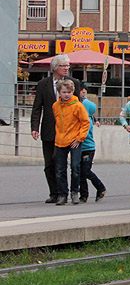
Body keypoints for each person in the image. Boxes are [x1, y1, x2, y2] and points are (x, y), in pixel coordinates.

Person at [30, 54, 82, 203]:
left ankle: (67, 192)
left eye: (68, 65)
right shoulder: (43, 84)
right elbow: (37, 107)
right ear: (54, 67)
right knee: (50, 164)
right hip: (49, 129)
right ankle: (54, 192)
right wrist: (35, 127)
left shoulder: (74, 83)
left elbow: (79, 107)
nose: (67, 68)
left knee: (68, 164)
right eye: (63, 66)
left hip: (69, 131)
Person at [51, 79, 89, 205]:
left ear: (73, 92)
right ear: (59, 93)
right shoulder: (56, 106)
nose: (66, 94)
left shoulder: (78, 105)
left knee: (75, 166)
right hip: (60, 140)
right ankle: (62, 194)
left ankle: (74, 192)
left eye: (69, 92)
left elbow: (85, 123)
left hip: (75, 140)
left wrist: (80, 138)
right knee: (60, 169)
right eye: (64, 92)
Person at [78, 87, 106, 203]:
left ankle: (100, 187)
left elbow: (84, 134)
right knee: (79, 172)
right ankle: (83, 195)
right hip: (79, 148)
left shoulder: (87, 121)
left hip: (88, 148)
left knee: (85, 171)